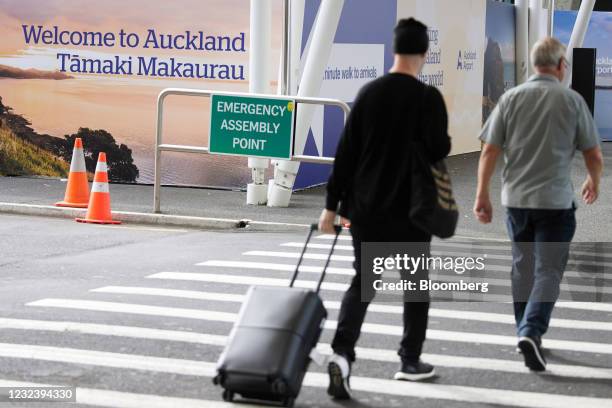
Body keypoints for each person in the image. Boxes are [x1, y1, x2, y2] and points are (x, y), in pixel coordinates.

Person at [318, 18, 451, 399]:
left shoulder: (369, 93)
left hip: (367, 211)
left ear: (394, 50)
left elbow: (346, 155)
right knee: (414, 288)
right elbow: (439, 149)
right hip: (412, 213)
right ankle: (410, 361)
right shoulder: (428, 99)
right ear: (424, 53)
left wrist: (331, 207)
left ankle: (342, 355)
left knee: (363, 284)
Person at [474, 37, 604, 372]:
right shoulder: (572, 100)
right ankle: (531, 330)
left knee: (523, 265)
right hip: (556, 203)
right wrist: (594, 180)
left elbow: (490, 150)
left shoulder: (511, 99)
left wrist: (482, 195)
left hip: (516, 202)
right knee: (548, 270)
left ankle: (524, 330)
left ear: (534, 65)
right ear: (561, 66)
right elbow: (593, 153)